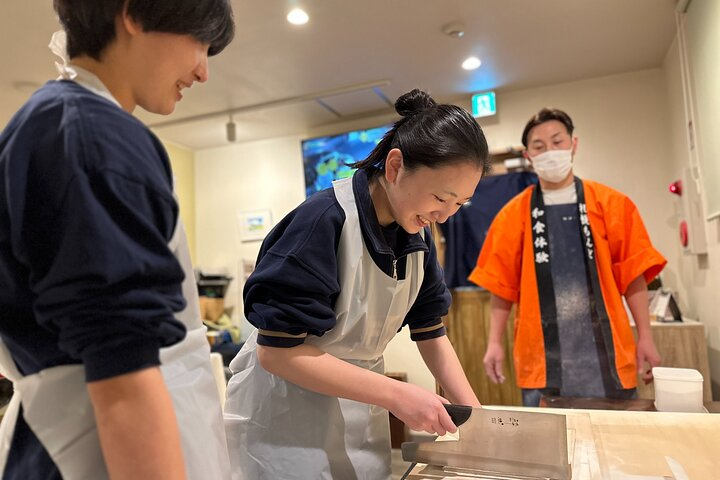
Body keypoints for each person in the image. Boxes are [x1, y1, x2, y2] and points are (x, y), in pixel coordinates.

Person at [0, 1, 234, 478]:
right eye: (200, 41)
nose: (203, 71)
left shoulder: (61, 124)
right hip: (95, 453)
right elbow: (123, 377)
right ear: (134, 13)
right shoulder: (92, 138)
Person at [224, 89, 488, 479]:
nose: (444, 216)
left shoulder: (418, 234)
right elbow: (277, 353)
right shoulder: (322, 222)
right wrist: (398, 394)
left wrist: (478, 423)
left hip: (359, 414)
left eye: (459, 204)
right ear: (395, 167)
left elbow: (431, 333)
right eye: (440, 197)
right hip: (283, 422)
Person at [469, 108, 666, 407]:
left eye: (557, 141)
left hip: (610, 355)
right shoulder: (512, 215)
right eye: (539, 146)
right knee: (547, 449)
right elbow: (501, 286)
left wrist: (646, 337)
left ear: (573, 144)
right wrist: (494, 342)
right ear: (528, 155)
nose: (550, 151)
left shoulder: (613, 204)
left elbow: (633, 275)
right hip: (542, 359)